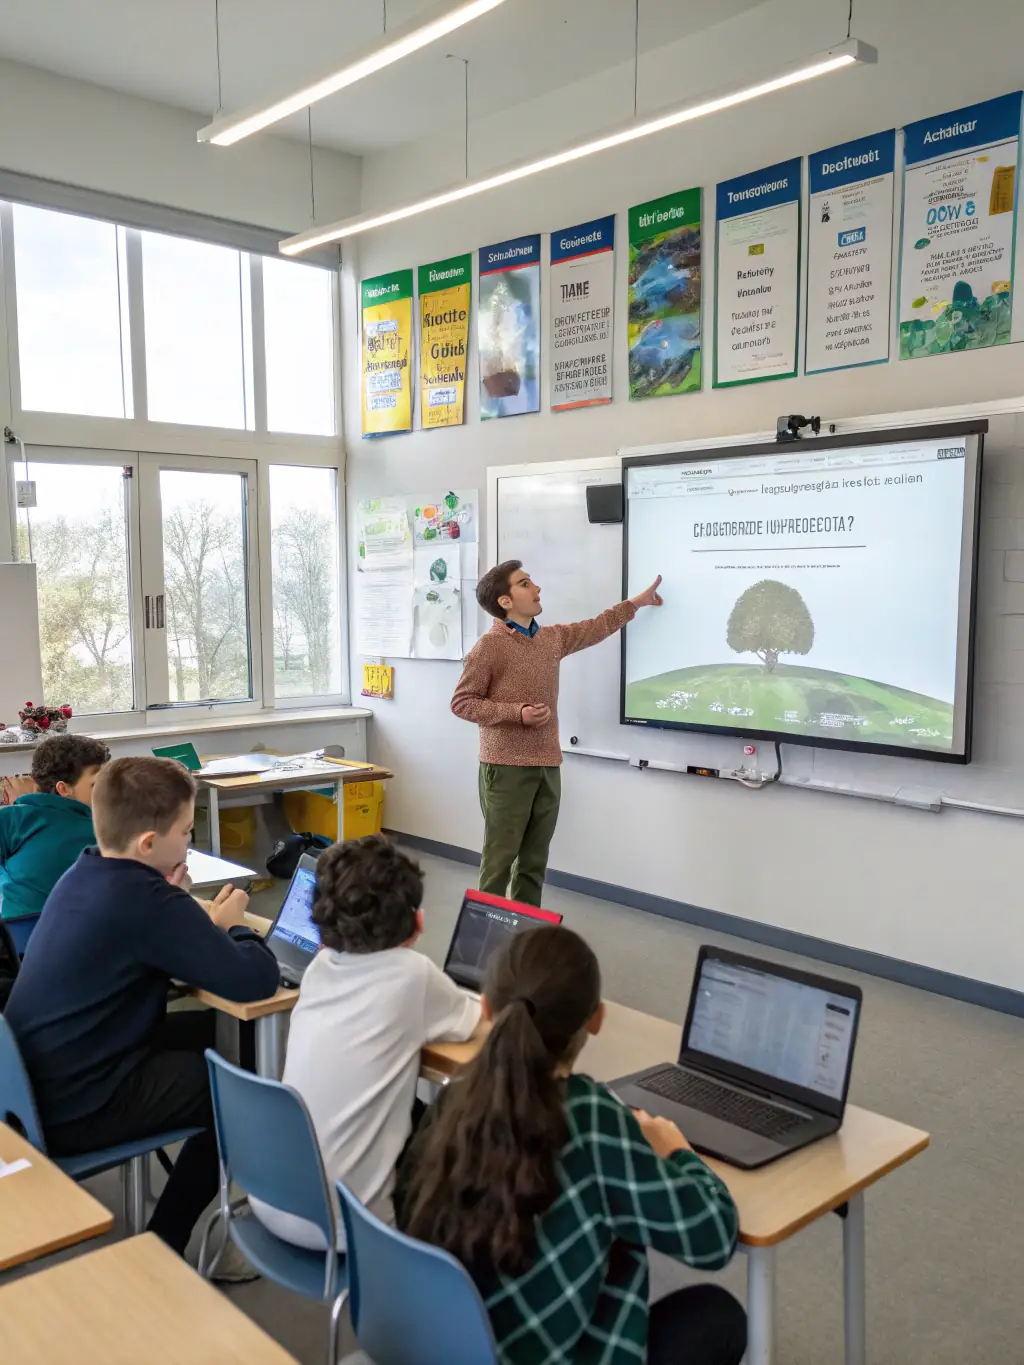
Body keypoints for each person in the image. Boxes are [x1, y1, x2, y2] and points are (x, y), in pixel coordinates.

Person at [395, 925, 746, 1365]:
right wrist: (677, 1151)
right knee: (721, 1317)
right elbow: (713, 1237)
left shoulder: (452, 1098)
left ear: (485, 1009)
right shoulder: (592, 1120)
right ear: (596, 1019)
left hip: (439, 1347)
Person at [3, 756, 280, 1258]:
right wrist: (234, 924)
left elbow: (144, 931)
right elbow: (253, 980)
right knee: (238, 1090)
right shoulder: (148, 902)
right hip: (80, 1105)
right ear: (150, 843)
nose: (191, 843)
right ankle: (165, 1245)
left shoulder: (85, 871)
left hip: (35, 1083)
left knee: (224, 1035)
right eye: (188, 831)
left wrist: (178, 910)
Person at [249, 834, 480, 1249]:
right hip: (347, 1230)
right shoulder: (413, 975)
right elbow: (477, 1023)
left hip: (268, 1199)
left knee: (409, 1106)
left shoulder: (319, 966)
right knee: (462, 1123)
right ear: (417, 921)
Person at [451, 562, 663, 906]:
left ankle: (525, 941)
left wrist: (636, 603)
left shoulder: (550, 638)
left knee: (534, 864)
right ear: (505, 601)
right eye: (525, 583)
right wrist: (516, 714)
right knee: (498, 865)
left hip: (548, 764)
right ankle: (484, 947)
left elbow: (595, 627)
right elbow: (462, 703)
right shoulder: (489, 647)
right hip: (505, 768)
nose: (537, 588)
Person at [0, 734, 110, 926]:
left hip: (19, 934)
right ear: (64, 789)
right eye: (96, 783)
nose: (107, 789)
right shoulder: (106, 829)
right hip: (72, 931)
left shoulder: (14, 817)